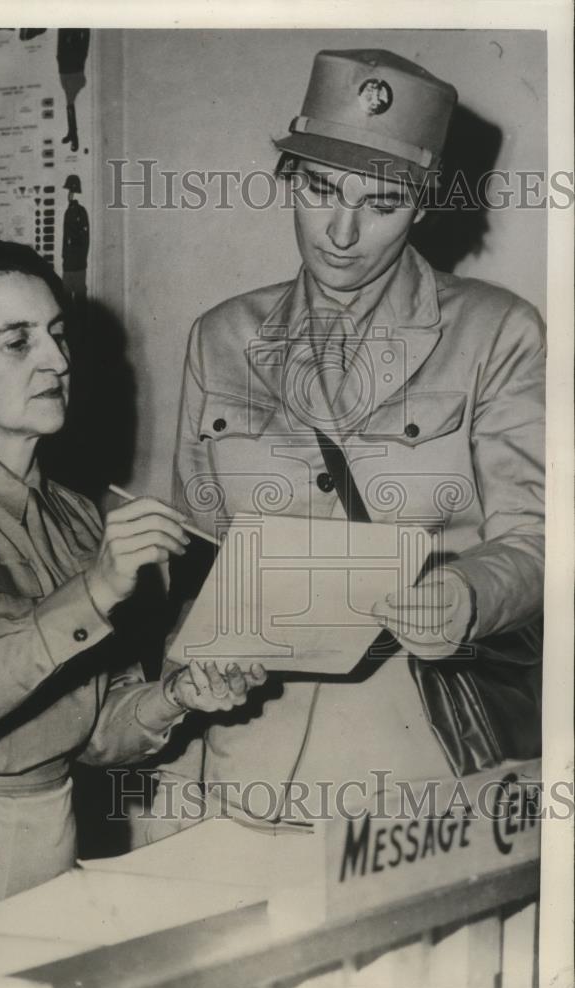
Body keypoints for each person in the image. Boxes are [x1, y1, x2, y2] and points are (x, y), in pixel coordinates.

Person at [148, 49, 544, 838]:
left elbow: (539, 540)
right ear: (290, 177)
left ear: (425, 206)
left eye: (382, 203)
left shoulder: (498, 332)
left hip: (410, 753)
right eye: (321, 189)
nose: (340, 232)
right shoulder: (221, 336)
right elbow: (201, 550)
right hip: (242, 750)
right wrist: (194, 678)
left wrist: (465, 595)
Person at [0, 238, 266, 920]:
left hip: (52, 849)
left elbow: (98, 732)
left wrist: (179, 696)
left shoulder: (76, 519)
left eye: (59, 335)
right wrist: (93, 592)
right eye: (18, 342)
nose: (59, 361)